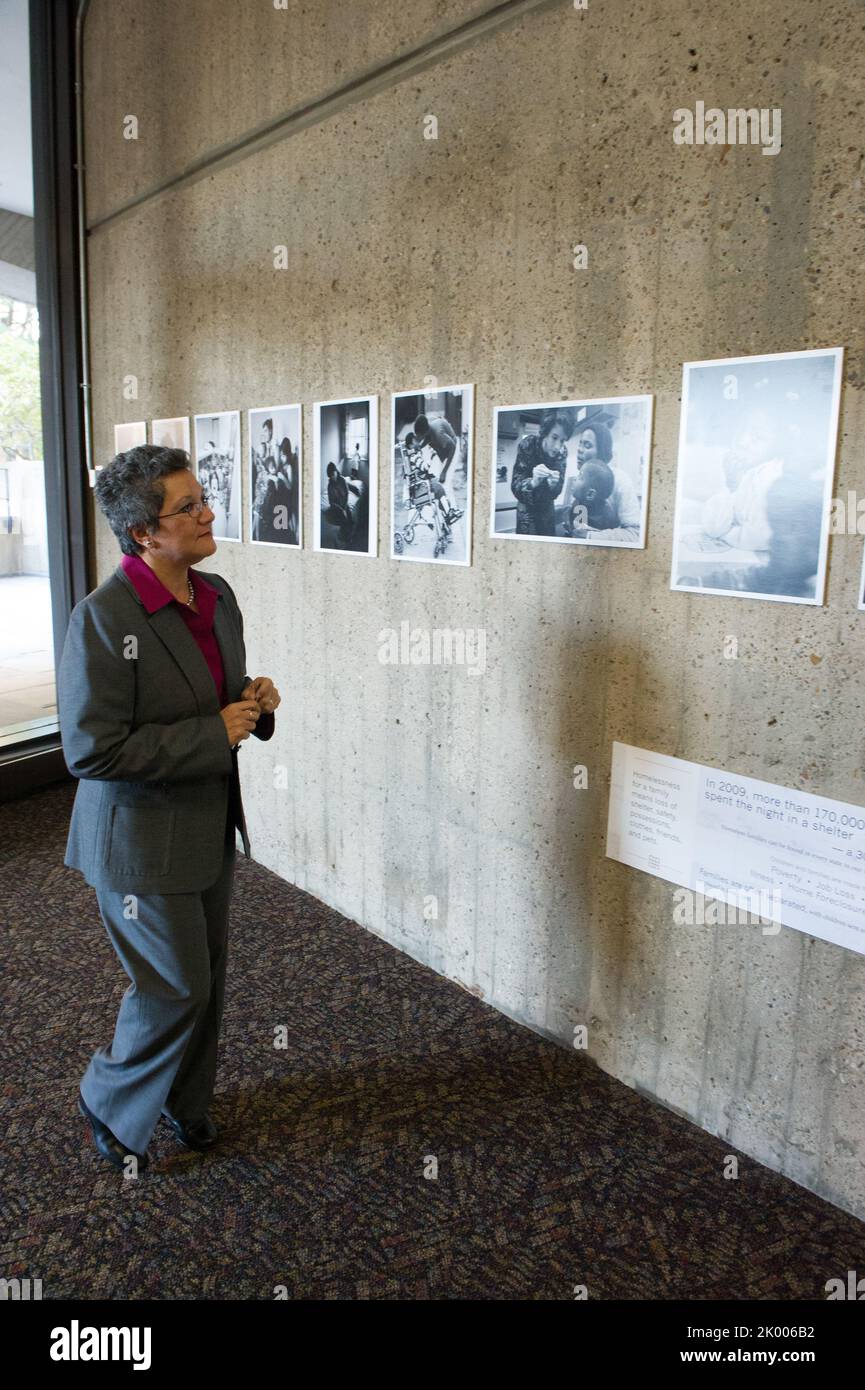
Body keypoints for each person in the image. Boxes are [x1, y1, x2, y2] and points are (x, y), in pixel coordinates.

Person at [57, 444, 282, 1174]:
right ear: (144, 533)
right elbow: (91, 752)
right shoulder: (102, 618)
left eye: (201, 496)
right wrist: (209, 733)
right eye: (187, 506)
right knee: (174, 984)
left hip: (206, 820)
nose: (207, 511)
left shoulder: (214, 596)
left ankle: (186, 1106)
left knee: (206, 978)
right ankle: (108, 1097)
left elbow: (221, 692)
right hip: (138, 841)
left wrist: (254, 702)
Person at [568, 421, 641, 543]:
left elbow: (636, 534)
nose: (579, 450)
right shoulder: (581, 478)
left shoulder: (621, 480)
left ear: (601, 451)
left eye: (587, 445)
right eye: (580, 444)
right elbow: (579, 516)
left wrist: (592, 537)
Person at [510, 410, 572, 536]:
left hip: (547, 510)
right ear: (545, 433)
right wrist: (533, 482)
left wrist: (554, 485)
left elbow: (558, 490)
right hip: (526, 509)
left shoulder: (562, 453)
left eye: (563, 440)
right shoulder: (527, 445)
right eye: (554, 438)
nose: (557, 447)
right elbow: (515, 486)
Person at [413, 412, 459, 484]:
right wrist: (420, 446)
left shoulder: (439, 434)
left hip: (452, 448)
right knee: (437, 474)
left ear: (425, 432)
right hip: (443, 447)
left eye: (419, 436)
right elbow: (428, 438)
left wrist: (444, 472)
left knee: (445, 480)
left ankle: (447, 489)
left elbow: (453, 447)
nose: (418, 438)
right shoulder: (429, 429)